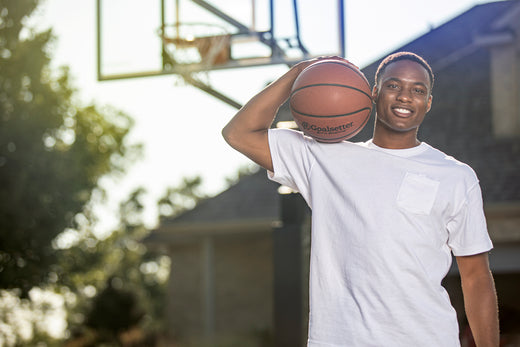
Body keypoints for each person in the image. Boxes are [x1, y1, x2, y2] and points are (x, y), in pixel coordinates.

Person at [222, 52, 499, 347]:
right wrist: (298, 74)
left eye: (418, 90)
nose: (405, 96)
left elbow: (476, 278)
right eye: (394, 86)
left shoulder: (456, 176)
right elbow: (238, 133)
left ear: (428, 102)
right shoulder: (324, 157)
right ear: (374, 94)